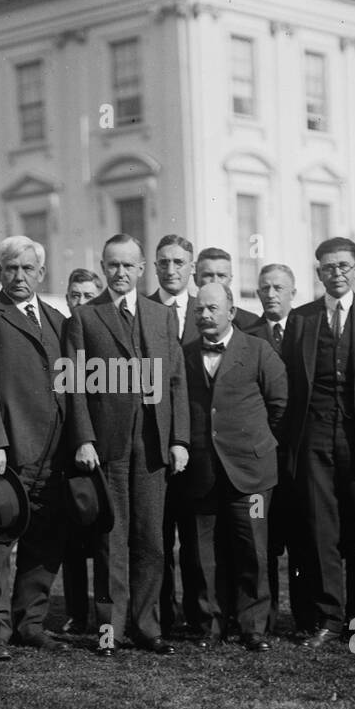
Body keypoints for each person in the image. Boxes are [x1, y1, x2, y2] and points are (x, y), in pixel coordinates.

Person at [64, 233, 189, 657]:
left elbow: (176, 381)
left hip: (152, 443)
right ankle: (110, 630)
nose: (120, 273)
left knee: (152, 539)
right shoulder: (85, 317)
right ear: (104, 267)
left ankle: (146, 626)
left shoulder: (161, 316)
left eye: (128, 266)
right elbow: (74, 385)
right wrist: (83, 437)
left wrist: (179, 440)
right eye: (112, 265)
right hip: (109, 444)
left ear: (141, 270)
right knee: (111, 539)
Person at [281, 237, 355, 647]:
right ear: (318, 273)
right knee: (321, 531)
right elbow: (292, 384)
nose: (337, 273)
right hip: (314, 437)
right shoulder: (302, 318)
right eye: (328, 267)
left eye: (344, 266)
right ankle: (329, 618)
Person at [0, 236, 68, 658]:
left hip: (54, 450)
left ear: (41, 273)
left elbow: (71, 384)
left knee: (45, 542)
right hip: (8, 452)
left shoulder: (58, 319)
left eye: (28, 269)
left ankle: (31, 622)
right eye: (11, 268)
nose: (20, 276)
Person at [180, 283, 287, 651]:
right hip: (201, 472)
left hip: (252, 473)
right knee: (202, 552)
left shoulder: (258, 351)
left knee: (252, 549)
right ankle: (209, 625)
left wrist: (254, 444)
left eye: (212, 308)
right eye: (199, 310)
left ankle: (253, 626)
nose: (205, 316)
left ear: (231, 312)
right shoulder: (185, 354)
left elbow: (279, 405)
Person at [147, 234, 200, 638]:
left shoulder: (210, 309)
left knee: (198, 538)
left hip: (202, 444)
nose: (171, 269)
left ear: (191, 267)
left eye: (179, 262)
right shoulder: (141, 310)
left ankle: (201, 617)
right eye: (163, 262)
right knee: (156, 535)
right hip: (154, 442)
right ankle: (160, 614)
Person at [251, 263, 302, 628]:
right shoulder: (249, 335)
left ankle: (304, 615)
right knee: (262, 538)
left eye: (278, 288)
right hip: (260, 455)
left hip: (301, 453)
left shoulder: (308, 330)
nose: (271, 294)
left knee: (302, 538)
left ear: (292, 293)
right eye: (265, 288)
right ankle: (263, 617)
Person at [59, 269, 104, 635]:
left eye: (88, 295)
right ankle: (76, 611)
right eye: (75, 295)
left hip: (104, 444)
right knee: (72, 538)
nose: (80, 302)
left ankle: (108, 611)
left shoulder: (106, 330)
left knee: (105, 533)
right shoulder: (60, 329)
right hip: (67, 446)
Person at [194, 247, 263, 331]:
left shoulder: (251, 323)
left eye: (221, 276)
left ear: (230, 280)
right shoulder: (182, 319)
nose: (215, 281)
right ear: (195, 279)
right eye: (208, 275)